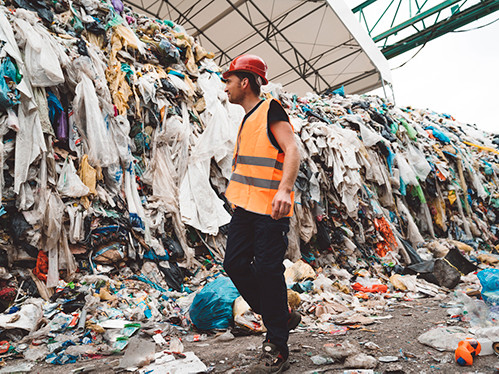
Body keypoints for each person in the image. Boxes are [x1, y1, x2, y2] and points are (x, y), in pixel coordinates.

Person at [222, 54, 301, 373]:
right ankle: (280, 316)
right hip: (246, 208)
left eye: (228, 80)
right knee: (234, 264)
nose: (224, 86)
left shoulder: (270, 109)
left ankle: (277, 345)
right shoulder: (246, 119)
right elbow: (247, 166)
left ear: (245, 81)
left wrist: (284, 190)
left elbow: (292, 149)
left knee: (268, 270)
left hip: (271, 208)